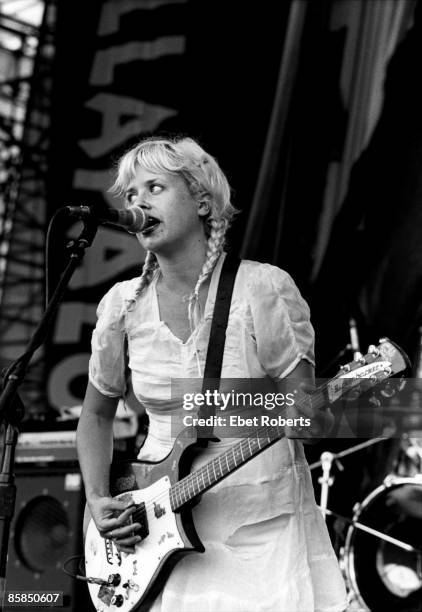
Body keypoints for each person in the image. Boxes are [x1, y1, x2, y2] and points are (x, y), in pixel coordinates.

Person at [76, 135, 348, 612]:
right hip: (155, 529)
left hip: (260, 530)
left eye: (154, 187)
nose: (138, 202)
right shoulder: (121, 305)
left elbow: (312, 420)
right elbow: (96, 416)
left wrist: (309, 413)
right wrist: (99, 500)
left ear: (202, 201)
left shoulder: (262, 288)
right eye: (131, 194)